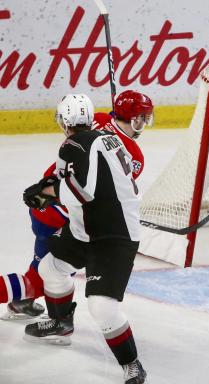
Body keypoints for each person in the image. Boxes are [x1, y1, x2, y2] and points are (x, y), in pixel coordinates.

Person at [21, 94, 147, 383]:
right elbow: (89, 181)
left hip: (113, 237)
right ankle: (60, 320)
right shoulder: (107, 138)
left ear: (64, 122)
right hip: (86, 230)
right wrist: (47, 187)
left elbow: (82, 192)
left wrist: (45, 194)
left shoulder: (71, 145)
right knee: (50, 269)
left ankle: (132, 364)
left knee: (102, 307)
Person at [1, 90, 153, 320]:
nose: (143, 122)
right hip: (63, 213)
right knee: (44, 278)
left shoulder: (99, 118)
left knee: (44, 267)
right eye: (140, 117)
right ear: (133, 119)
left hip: (45, 201)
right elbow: (108, 194)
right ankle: (41, 308)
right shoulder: (135, 157)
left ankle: (23, 303)